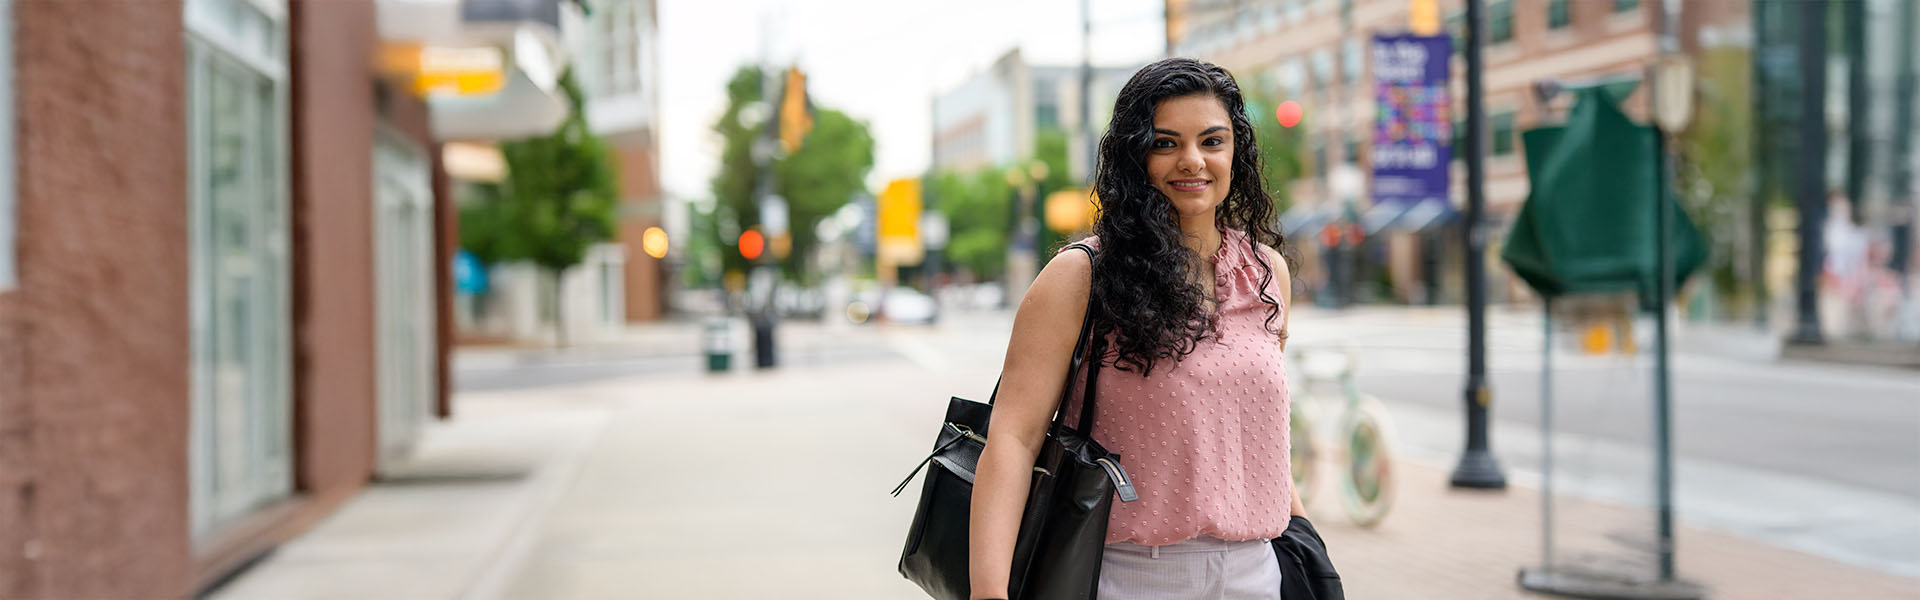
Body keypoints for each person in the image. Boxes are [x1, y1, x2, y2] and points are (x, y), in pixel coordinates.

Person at [968, 57, 1305, 600]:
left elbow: (1255, 438)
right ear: (1134, 155)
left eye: (1211, 141)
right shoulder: (1082, 274)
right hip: (1126, 576)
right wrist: (989, 594)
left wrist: (1308, 554)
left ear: (1235, 151)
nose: (1192, 160)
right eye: (1165, 142)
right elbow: (1013, 438)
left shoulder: (1266, 273)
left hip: (1258, 574)